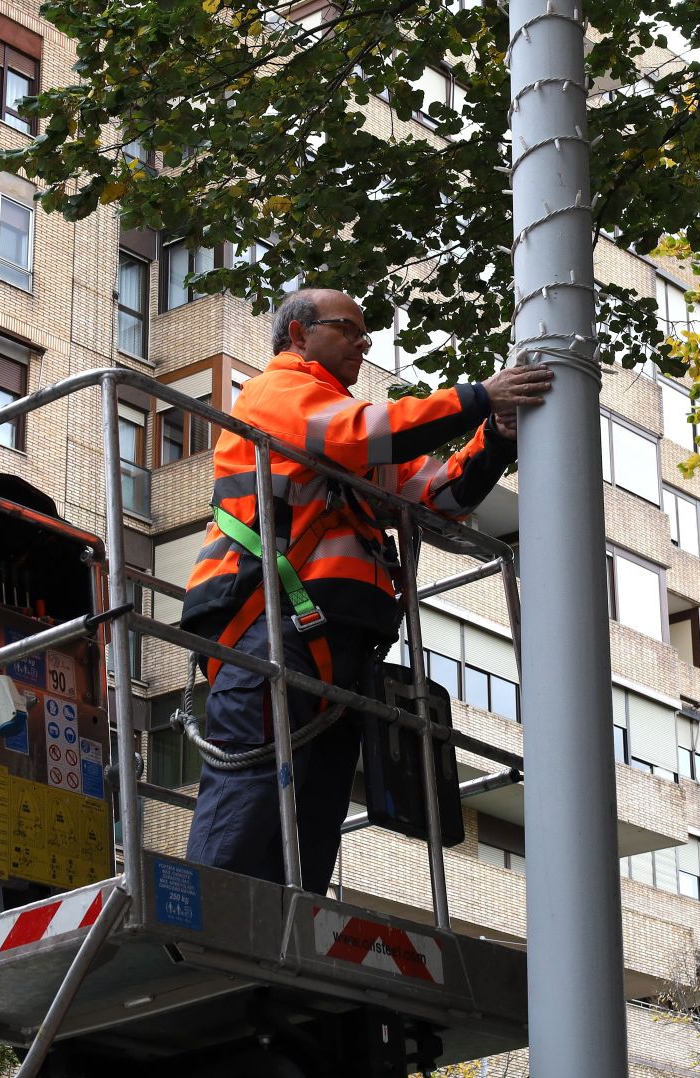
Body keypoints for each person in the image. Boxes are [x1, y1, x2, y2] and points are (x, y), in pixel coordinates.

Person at [180, 287, 553, 892]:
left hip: (336, 644)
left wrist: (496, 436)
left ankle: (286, 949)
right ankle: (208, 930)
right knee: (249, 795)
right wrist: (480, 396)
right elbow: (364, 433)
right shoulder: (278, 393)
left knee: (315, 811)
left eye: (365, 332)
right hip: (266, 626)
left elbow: (438, 494)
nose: (363, 341)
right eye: (347, 328)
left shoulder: (341, 425)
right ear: (298, 335)